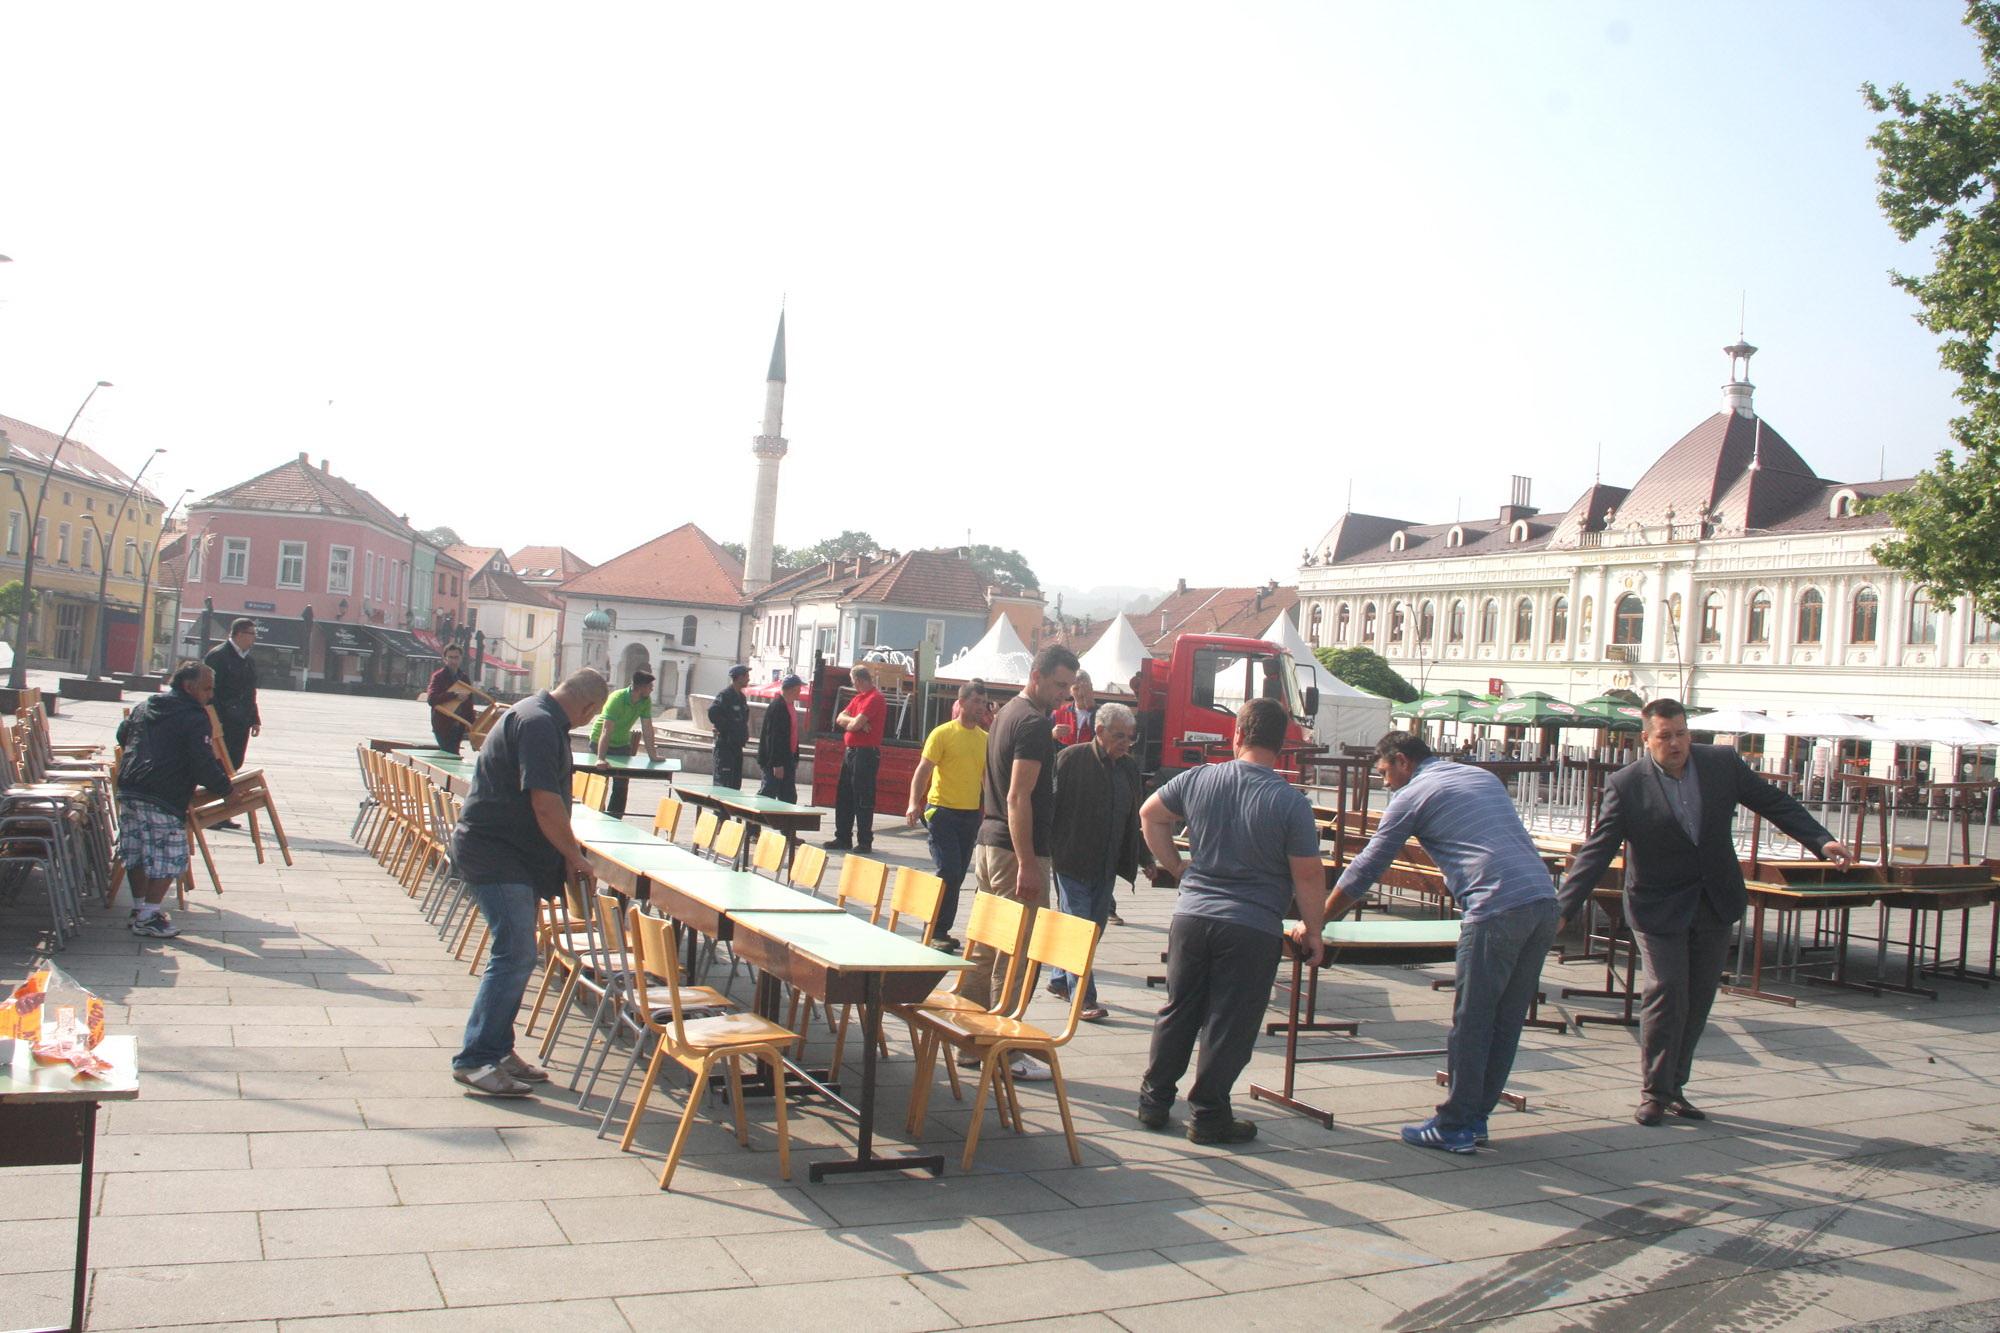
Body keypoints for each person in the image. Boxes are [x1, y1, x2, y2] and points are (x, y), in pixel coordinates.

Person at [1557, 698, 1851, 1126]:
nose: (1675, 744)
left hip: (1714, 899)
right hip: (1656, 905)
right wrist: (1564, 907)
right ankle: (1654, 1092)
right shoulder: (1626, 785)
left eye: (1681, 734)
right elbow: (1598, 850)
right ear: (1646, 739)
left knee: (1698, 997)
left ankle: (1676, 1085)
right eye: (1664, 736)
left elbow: (1774, 803)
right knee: (1668, 989)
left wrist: (1821, 841)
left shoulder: (1721, 764)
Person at [1326, 731, 1561, 1153]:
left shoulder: (1413, 795)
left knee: (1472, 1022)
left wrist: (1320, 919)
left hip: (1495, 906)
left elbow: (1367, 867)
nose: (1384, 783)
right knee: (1505, 1021)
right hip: (1542, 901)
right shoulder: (1481, 776)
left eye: (1383, 773)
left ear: (1401, 761)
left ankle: (1454, 1125)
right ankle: (1476, 1119)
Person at [1138, 697, 1326, 1143]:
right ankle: (1208, 1114)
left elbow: (1150, 815)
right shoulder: (1289, 802)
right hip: (1251, 924)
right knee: (1231, 1021)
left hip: (1193, 915)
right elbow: (1307, 873)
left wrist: (1178, 866)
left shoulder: (1199, 779)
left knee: (1178, 1009)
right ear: (1280, 746)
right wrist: (1313, 930)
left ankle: (1154, 1099)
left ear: (1236, 735)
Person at [449, 668, 609, 1097]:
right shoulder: (539, 724)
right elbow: (544, 802)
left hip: (506, 854)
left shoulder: (534, 713)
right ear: (590, 707)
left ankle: (498, 1049)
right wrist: (574, 856)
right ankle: (477, 1058)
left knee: (517, 954)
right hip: (496, 854)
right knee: (514, 953)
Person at [958, 645, 1080, 1081]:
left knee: (986, 946)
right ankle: (1002, 1049)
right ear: (1037, 675)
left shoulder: (1008, 711)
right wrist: (1028, 862)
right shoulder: (1031, 723)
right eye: (1060, 685)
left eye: (1069, 687)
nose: (1065, 695)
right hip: (1014, 850)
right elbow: (1017, 796)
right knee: (1018, 951)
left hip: (990, 844)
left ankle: (970, 1040)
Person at [113, 662, 234, 940]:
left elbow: (122, 735)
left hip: (131, 786)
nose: (210, 695)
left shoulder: (145, 706)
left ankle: (140, 908)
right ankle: (149, 915)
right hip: (163, 792)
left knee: (137, 851)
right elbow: (201, 761)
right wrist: (226, 789)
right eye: (206, 688)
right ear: (188, 687)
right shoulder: (194, 715)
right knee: (168, 855)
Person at [1047, 701, 1143, 1020]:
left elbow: (1133, 818)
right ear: (1099, 731)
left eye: (1130, 737)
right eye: (1119, 736)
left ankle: (1060, 979)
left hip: (1106, 866)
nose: (1125, 743)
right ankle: (1084, 999)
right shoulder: (1071, 759)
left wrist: (1144, 857)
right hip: (1071, 861)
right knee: (1081, 928)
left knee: (1095, 928)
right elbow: (1048, 807)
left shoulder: (1129, 768)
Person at [907, 681, 990, 951]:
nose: (981, 707)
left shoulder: (984, 739)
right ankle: (933, 930)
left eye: (983, 702)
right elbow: (924, 770)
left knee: (958, 875)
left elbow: (986, 779)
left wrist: (991, 812)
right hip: (941, 812)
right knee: (948, 870)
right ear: (962, 702)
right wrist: (913, 803)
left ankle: (941, 930)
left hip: (970, 815)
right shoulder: (942, 733)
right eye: (976, 701)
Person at [203, 617, 261, 827]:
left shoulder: (248, 660)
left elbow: (250, 692)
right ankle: (213, 813)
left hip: (241, 722)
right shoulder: (218, 656)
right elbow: (209, 691)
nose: (254, 639)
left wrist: (255, 718)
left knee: (234, 764)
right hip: (222, 722)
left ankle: (224, 812)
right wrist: (214, 717)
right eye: (251, 634)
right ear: (238, 634)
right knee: (219, 765)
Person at [827, 664, 887, 851]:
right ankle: (843, 837)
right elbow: (841, 718)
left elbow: (853, 725)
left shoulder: (875, 698)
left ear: (860, 680)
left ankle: (864, 841)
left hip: (866, 753)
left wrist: (855, 723)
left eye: (854, 682)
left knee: (862, 796)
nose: (853, 685)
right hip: (851, 751)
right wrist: (856, 722)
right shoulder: (859, 698)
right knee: (844, 795)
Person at [590, 670, 658, 818]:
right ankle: (594, 814)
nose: (652, 689)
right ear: (640, 687)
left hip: (621, 744)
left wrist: (653, 756)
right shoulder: (617, 698)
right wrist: (601, 758)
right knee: (599, 781)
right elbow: (606, 730)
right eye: (650, 686)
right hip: (600, 742)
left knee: (621, 784)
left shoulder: (645, 701)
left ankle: (615, 818)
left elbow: (647, 728)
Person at [757, 673, 806, 803]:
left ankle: (784, 823)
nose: (800, 692)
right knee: (768, 794)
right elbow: (773, 737)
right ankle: (753, 822)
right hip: (775, 762)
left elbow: (793, 734)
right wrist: (777, 763)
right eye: (799, 688)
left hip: (787, 759)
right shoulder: (778, 707)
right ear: (793, 689)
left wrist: (795, 757)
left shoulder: (790, 706)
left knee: (788, 798)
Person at [425, 644, 478, 753]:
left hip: (459, 725)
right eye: (451, 657)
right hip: (443, 725)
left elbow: (469, 705)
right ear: (445, 659)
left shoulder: (464, 678)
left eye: (456, 657)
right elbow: (431, 699)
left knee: (454, 754)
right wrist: (454, 695)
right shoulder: (439, 676)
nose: (454, 661)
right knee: (450, 754)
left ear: (461, 658)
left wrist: (473, 727)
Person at [708, 664, 752, 789]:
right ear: (738, 677)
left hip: (737, 747)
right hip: (725, 747)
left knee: (734, 786)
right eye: (746, 676)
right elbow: (713, 713)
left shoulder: (741, 698)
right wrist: (726, 729)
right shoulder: (725, 695)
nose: (748, 679)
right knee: (723, 784)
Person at [1051, 673, 1097, 746]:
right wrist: (1052, 734)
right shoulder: (1059, 712)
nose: (1081, 693)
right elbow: (1041, 738)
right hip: (1065, 756)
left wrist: (1092, 711)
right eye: (1076, 688)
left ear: (1091, 687)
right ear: (1070, 691)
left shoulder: (1104, 713)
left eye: (1084, 687)